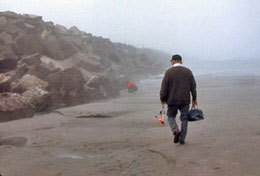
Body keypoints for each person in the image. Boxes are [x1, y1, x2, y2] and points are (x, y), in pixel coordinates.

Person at [160, 54, 197, 145]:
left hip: (172, 99)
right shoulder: (188, 71)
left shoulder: (168, 72)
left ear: (172, 62)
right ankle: (182, 139)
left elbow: (164, 87)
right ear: (181, 61)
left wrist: (162, 98)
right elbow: (193, 86)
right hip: (185, 99)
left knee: (171, 116)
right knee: (184, 118)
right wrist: (194, 98)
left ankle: (175, 130)